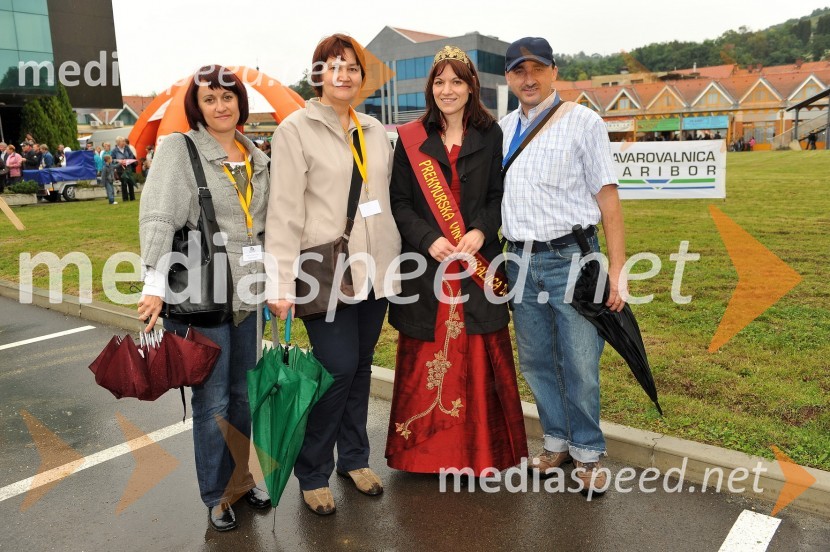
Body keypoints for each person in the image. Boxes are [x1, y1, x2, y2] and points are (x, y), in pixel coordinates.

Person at [265, 33, 401, 516]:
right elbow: (282, 213)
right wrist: (279, 283)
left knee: (360, 368)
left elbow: (385, 201)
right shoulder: (295, 130)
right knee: (337, 368)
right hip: (322, 272)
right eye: (332, 66)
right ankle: (314, 470)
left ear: (362, 78)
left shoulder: (374, 128)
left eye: (351, 68)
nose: (343, 76)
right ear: (318, 74)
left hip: (375, 269)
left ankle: (355, 459)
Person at [137, 64, 272, 532]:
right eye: (210, 99)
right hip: (203, 293)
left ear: (241, 102)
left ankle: (240, 480)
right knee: (212, 400)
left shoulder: (257, 155)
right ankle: (215, 495)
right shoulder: (180, 148)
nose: (220, 106)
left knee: (242, 397)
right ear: (198, 107)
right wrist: (153, 285)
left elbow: (264, 226)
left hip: (249, 293)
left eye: (228, 97)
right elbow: (159, 215)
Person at [386, 45, 528, 475]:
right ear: (431, 87)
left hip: (476, 263)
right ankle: (426, 457)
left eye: (457, 81)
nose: (448, 90)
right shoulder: (411, 138)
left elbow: (497, 196)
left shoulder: (492, 134)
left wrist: (481, 231)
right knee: (431, 353)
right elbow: (401, 201)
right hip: (428, 268)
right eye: (440, 81)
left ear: (471, 87)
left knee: (479, 350)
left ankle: (482, 455)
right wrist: (429, 239)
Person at [500, 37, 627, 495]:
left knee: (579, 361)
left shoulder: (583, 123)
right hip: (517, 260)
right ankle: (556, 440)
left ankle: (588, 451)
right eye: (518, 71)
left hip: (571, 258)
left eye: (536, 69)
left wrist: (618, 268)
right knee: (535, 359)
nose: (528, 78)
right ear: (509, 77)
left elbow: (608, 198)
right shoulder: (502, 128)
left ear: (554, 71)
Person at [113, 137, 137, 201]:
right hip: (120, 169)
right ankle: (125, 198)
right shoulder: (114, 150)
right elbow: (112, 159)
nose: (124, 142)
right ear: (118, 143)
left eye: (124, 141)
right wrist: (119, 161)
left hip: (128, 167)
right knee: (123, 183)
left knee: (130, 182)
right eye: (122, 141)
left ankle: (132, 198)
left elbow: (131, 155)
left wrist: (127, 160)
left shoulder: (127, 148)